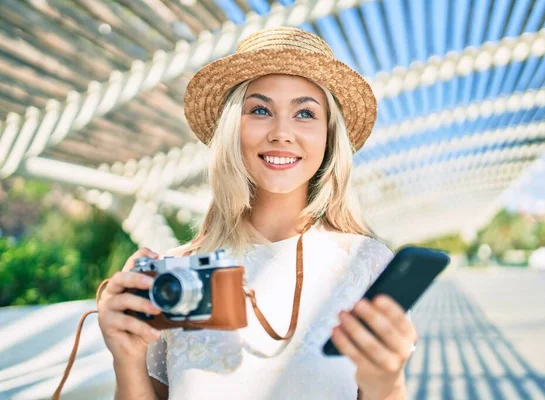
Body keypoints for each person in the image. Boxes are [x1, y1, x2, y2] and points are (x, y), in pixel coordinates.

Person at [97, 27, 418, 400]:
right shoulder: (175, 275)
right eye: (260, 110)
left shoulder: (367, 263)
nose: (282, 133)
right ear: (233, 129)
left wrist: (389, 383)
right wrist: (126, 360)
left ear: (329, 137)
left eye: (305, 113)